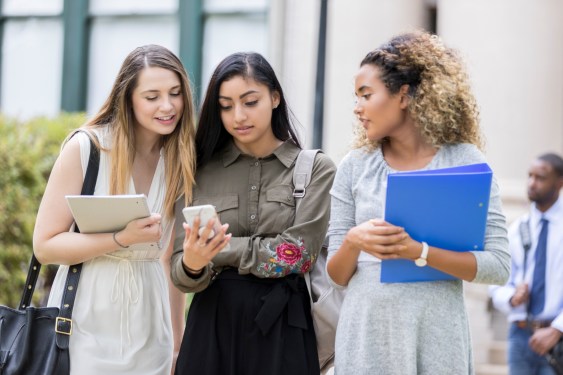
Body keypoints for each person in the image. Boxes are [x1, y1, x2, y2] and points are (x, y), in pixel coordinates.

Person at [325, 30, 510, 374]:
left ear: (404, 95)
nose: (357, 108)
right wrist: (354, 241)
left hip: (438, 336)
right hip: (367, 337)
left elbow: (498, 266)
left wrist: (418, 252)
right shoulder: (355, 166)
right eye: (356, 97)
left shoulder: (466, 162)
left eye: (366, 95)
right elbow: (336, 276)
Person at [33, 44, 197, 374]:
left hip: (152, 331)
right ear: (129, 99)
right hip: (84, 325)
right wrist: (120, 238)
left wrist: (177, 346)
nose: (167, 106)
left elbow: (166, 259)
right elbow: (45, 245)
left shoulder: (179, 158)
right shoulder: (88, 148)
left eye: (175, 93)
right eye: (152, 97)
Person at [170, 52, 336, 375]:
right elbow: (181, 273)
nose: (238, 116)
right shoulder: (197, 172)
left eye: (250, 102)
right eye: (226, 105)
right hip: (211, 329)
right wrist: (193, 262)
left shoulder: (315, 169)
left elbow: (297, 256)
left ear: (274, 97)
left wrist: (222, 249)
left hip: (285, 328)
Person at [490, 153, 563, 375]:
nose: (532, 183)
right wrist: (512, 297)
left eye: (540, 178)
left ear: (559, 182)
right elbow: (496, 283)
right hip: (519, 337)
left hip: (557, 339)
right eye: (529, 176)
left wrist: (558, 329)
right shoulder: (516, 229)